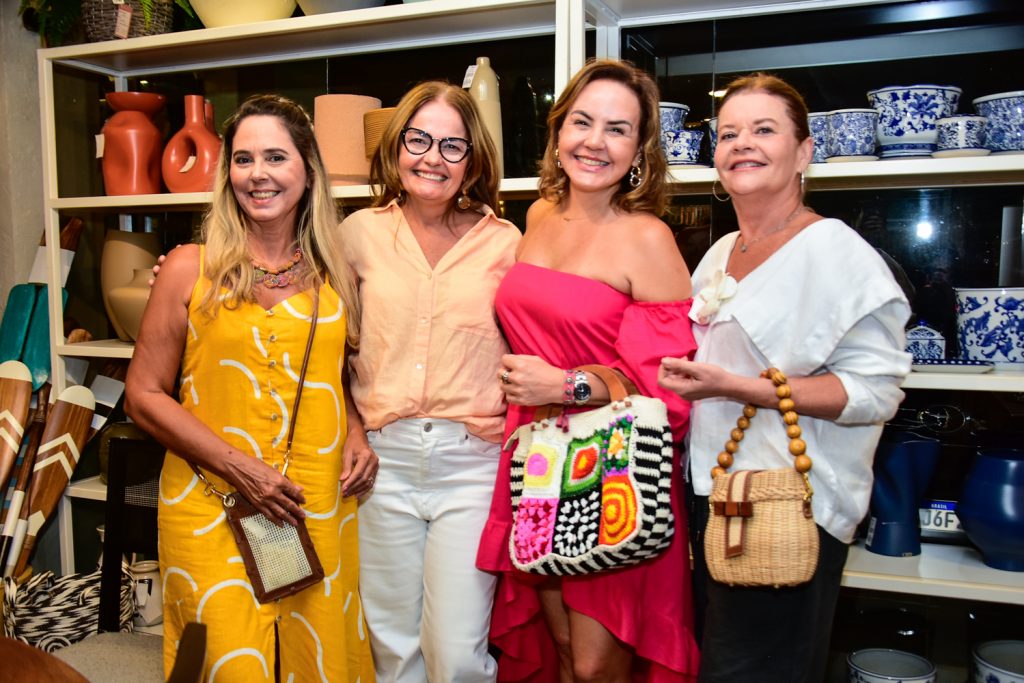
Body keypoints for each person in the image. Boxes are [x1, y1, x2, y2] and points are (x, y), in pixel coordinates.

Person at [657, 73, 911, 683]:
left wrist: (737, 387)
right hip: (719, 498)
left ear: (803, 152)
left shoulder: (837, 254)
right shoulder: (721, 253)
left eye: (764, 130)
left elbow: (875, 394)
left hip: (789, 505)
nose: (742, 143)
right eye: (729, 133)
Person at [124, 94, 376, 682]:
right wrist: (243, 470)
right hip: (210, 501)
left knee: (319, 654)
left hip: (309, 500)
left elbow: (333, 376)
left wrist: (357, 431)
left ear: (307, 171)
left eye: (275, 157)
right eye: (242, 159)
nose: (258, 174)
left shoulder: (334, 273)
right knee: (225, 659)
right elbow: (143, 394)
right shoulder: (190, 267)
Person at [477, 58, 701, 683]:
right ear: (558, 131)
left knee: (600, 668)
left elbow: (668, 385)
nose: (594, 142)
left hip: (613, 469)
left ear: (639, 151)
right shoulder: (537, 217)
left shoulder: (649, 239)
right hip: (536, 462)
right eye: (582, 122)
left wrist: (566, 384)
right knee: (565, 656)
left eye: (617, 129)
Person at [339, 81, 520, 682]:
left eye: (451, 145)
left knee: (456, 653)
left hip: (470, 465)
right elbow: (322, 352)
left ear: (473, 160)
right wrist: (351, 432)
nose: (431, 158)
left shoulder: (506, 244)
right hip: (379, 465)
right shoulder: (358, 233)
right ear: (396, 148)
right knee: (391, 646)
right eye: (418, 140)